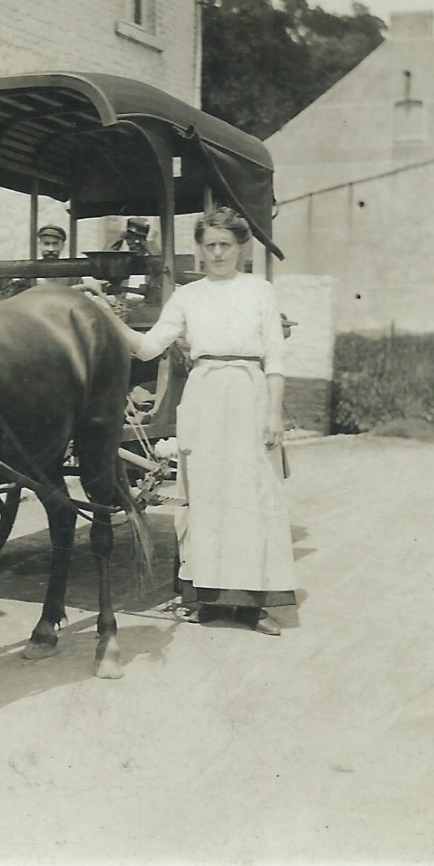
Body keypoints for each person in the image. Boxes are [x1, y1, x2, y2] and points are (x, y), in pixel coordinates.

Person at [88, 208, 296, 637]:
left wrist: (274, 412)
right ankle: (204, 598)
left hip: (249, 395)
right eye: (209, 245)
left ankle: (253, 607)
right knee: (205, 495)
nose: (217, 253)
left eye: (225, 244)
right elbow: (147, 348)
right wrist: (105, 314)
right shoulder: (187, 296)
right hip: (203, 397)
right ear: (200, 249)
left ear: (240, 247)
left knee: (252, 495)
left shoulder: (260, 291)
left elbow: (275, 357)